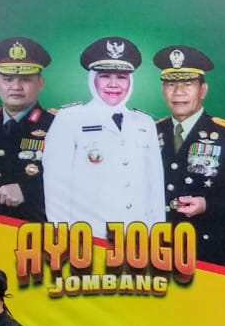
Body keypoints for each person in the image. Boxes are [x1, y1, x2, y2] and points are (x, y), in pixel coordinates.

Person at [41, 36, 165, 240]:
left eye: (122, 77)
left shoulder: (144, 122)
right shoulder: (70, 118)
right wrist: (64, 237)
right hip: (90, 237)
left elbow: (155, 186)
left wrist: (157, 234)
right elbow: (55, 187)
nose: (114, 85)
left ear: (131, 81)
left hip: (138, 238)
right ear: (93, 79)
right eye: (105, 76)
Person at [152, 45, 225, 269]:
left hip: (207, 251)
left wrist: (206, 203)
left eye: (187, 85)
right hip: (158, 248)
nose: (178, 92)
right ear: (163, 90)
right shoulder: (149, 133)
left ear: (203, 90)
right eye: (171, 84)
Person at [0, 37, 55, 222]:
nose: (16, 87)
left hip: (35, 231)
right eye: (7, 79)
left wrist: (27, 191)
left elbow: (77, 182)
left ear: (41, 83)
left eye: (26, 79)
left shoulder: (58, 126)